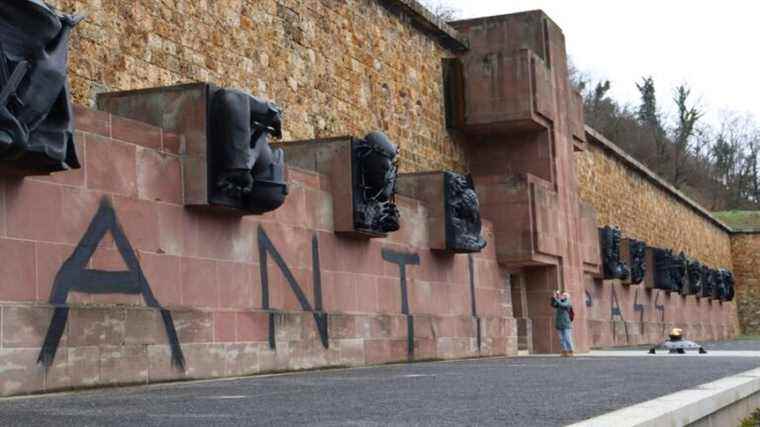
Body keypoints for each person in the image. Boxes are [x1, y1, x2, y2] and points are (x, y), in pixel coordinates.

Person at [551, 290, 574, 356]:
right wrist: (553, 297)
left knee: (567, 338)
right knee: (561, 339)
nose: (562, 296)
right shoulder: (559, 302)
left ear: (567, 297)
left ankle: (570, 350)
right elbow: (553, 304)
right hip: (559, 324)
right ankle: (565, 351)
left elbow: (563, 305)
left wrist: (557, 298)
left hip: (566, 324)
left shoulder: (568, 302)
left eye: (564, 295)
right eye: (562, 295)